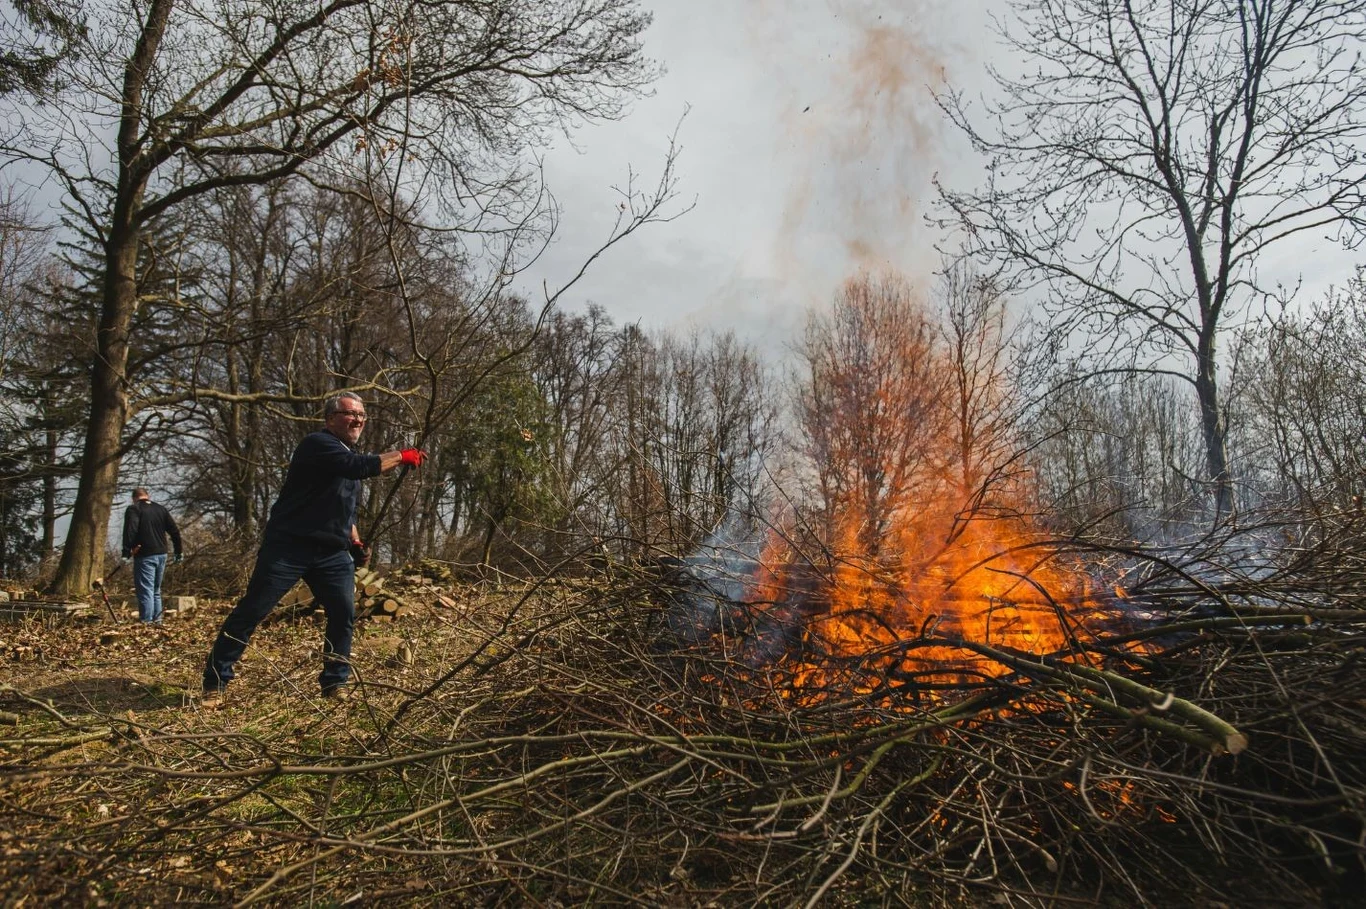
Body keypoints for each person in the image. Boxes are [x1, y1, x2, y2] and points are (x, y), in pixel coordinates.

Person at [201, 392, 425, 705]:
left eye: (361, 415)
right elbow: (356, 467)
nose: (358, 420)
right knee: (253, 610)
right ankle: (215, 681)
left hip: (332, 553)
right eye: (350, 414)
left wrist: (354, 540)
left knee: (343, 613)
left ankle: (335, 684)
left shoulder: (347, 453)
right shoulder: (319, 444)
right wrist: (401, 455)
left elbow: (344, 508)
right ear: (331, 418)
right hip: (289, 547)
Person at [121, 488, 183, 625]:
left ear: (134, 498)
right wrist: (178, 551)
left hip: (145, 554)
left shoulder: (134, 509)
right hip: (162, 553)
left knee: (145, 590)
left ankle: (146, 622)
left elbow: (130, 530)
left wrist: (126, 552)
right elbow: (174, 531)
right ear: (148, 496)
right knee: (155, 590)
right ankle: (158, 621)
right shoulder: (161, 509)